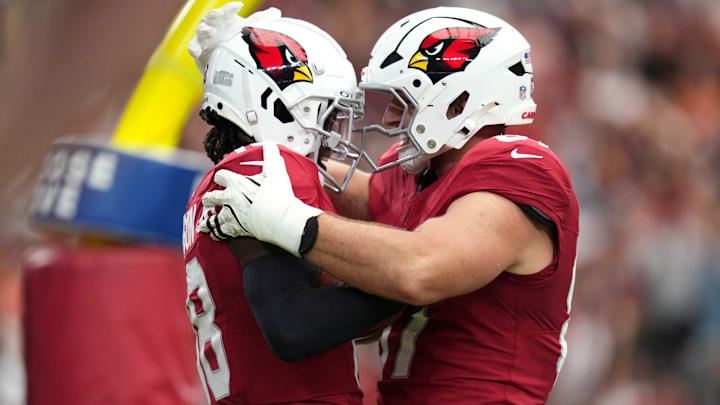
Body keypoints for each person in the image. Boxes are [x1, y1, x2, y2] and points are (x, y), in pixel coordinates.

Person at [200, 7, 579, 404]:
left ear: (459, 102)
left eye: (405, 102)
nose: (391, 117)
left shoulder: (519, 167)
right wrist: (246, 100)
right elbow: (328, 181)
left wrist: (287, 220)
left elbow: (421, 269)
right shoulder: (414, 176)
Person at [182, 4, 403, 404]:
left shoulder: (224, 178)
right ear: (278, 105)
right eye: (329, 115)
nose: (336, 135)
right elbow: (293, 325)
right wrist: (415, 282)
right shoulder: (267, 164)